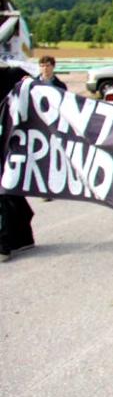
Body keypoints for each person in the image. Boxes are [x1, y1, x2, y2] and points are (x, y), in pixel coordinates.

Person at [0, 63, 35, 262]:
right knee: (11, 194)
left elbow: (36, 90)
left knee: (5, 191)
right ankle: (22, 237)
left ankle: (4, 243)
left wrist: (30, 84)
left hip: (14, 142)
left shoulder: (12, 74)